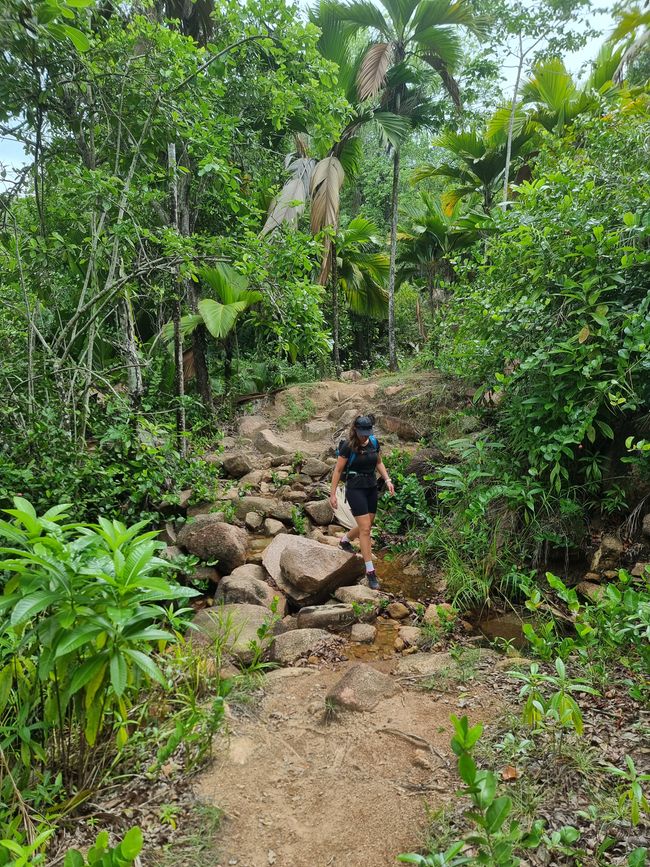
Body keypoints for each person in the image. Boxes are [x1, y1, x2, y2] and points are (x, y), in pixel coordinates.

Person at [329, 414, 394, 589]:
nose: (365, 435)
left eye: (367, 432)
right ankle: (370, 572)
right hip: (355, 488)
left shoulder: (373, 442)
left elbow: (378, 462)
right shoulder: (348, 447)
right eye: (362, 432)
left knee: (368, 524)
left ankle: (344, 540)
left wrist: (387, 480)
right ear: (355, 430)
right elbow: (338, 470)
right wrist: (333, 494)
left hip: (371, 487)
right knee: (365, 529)